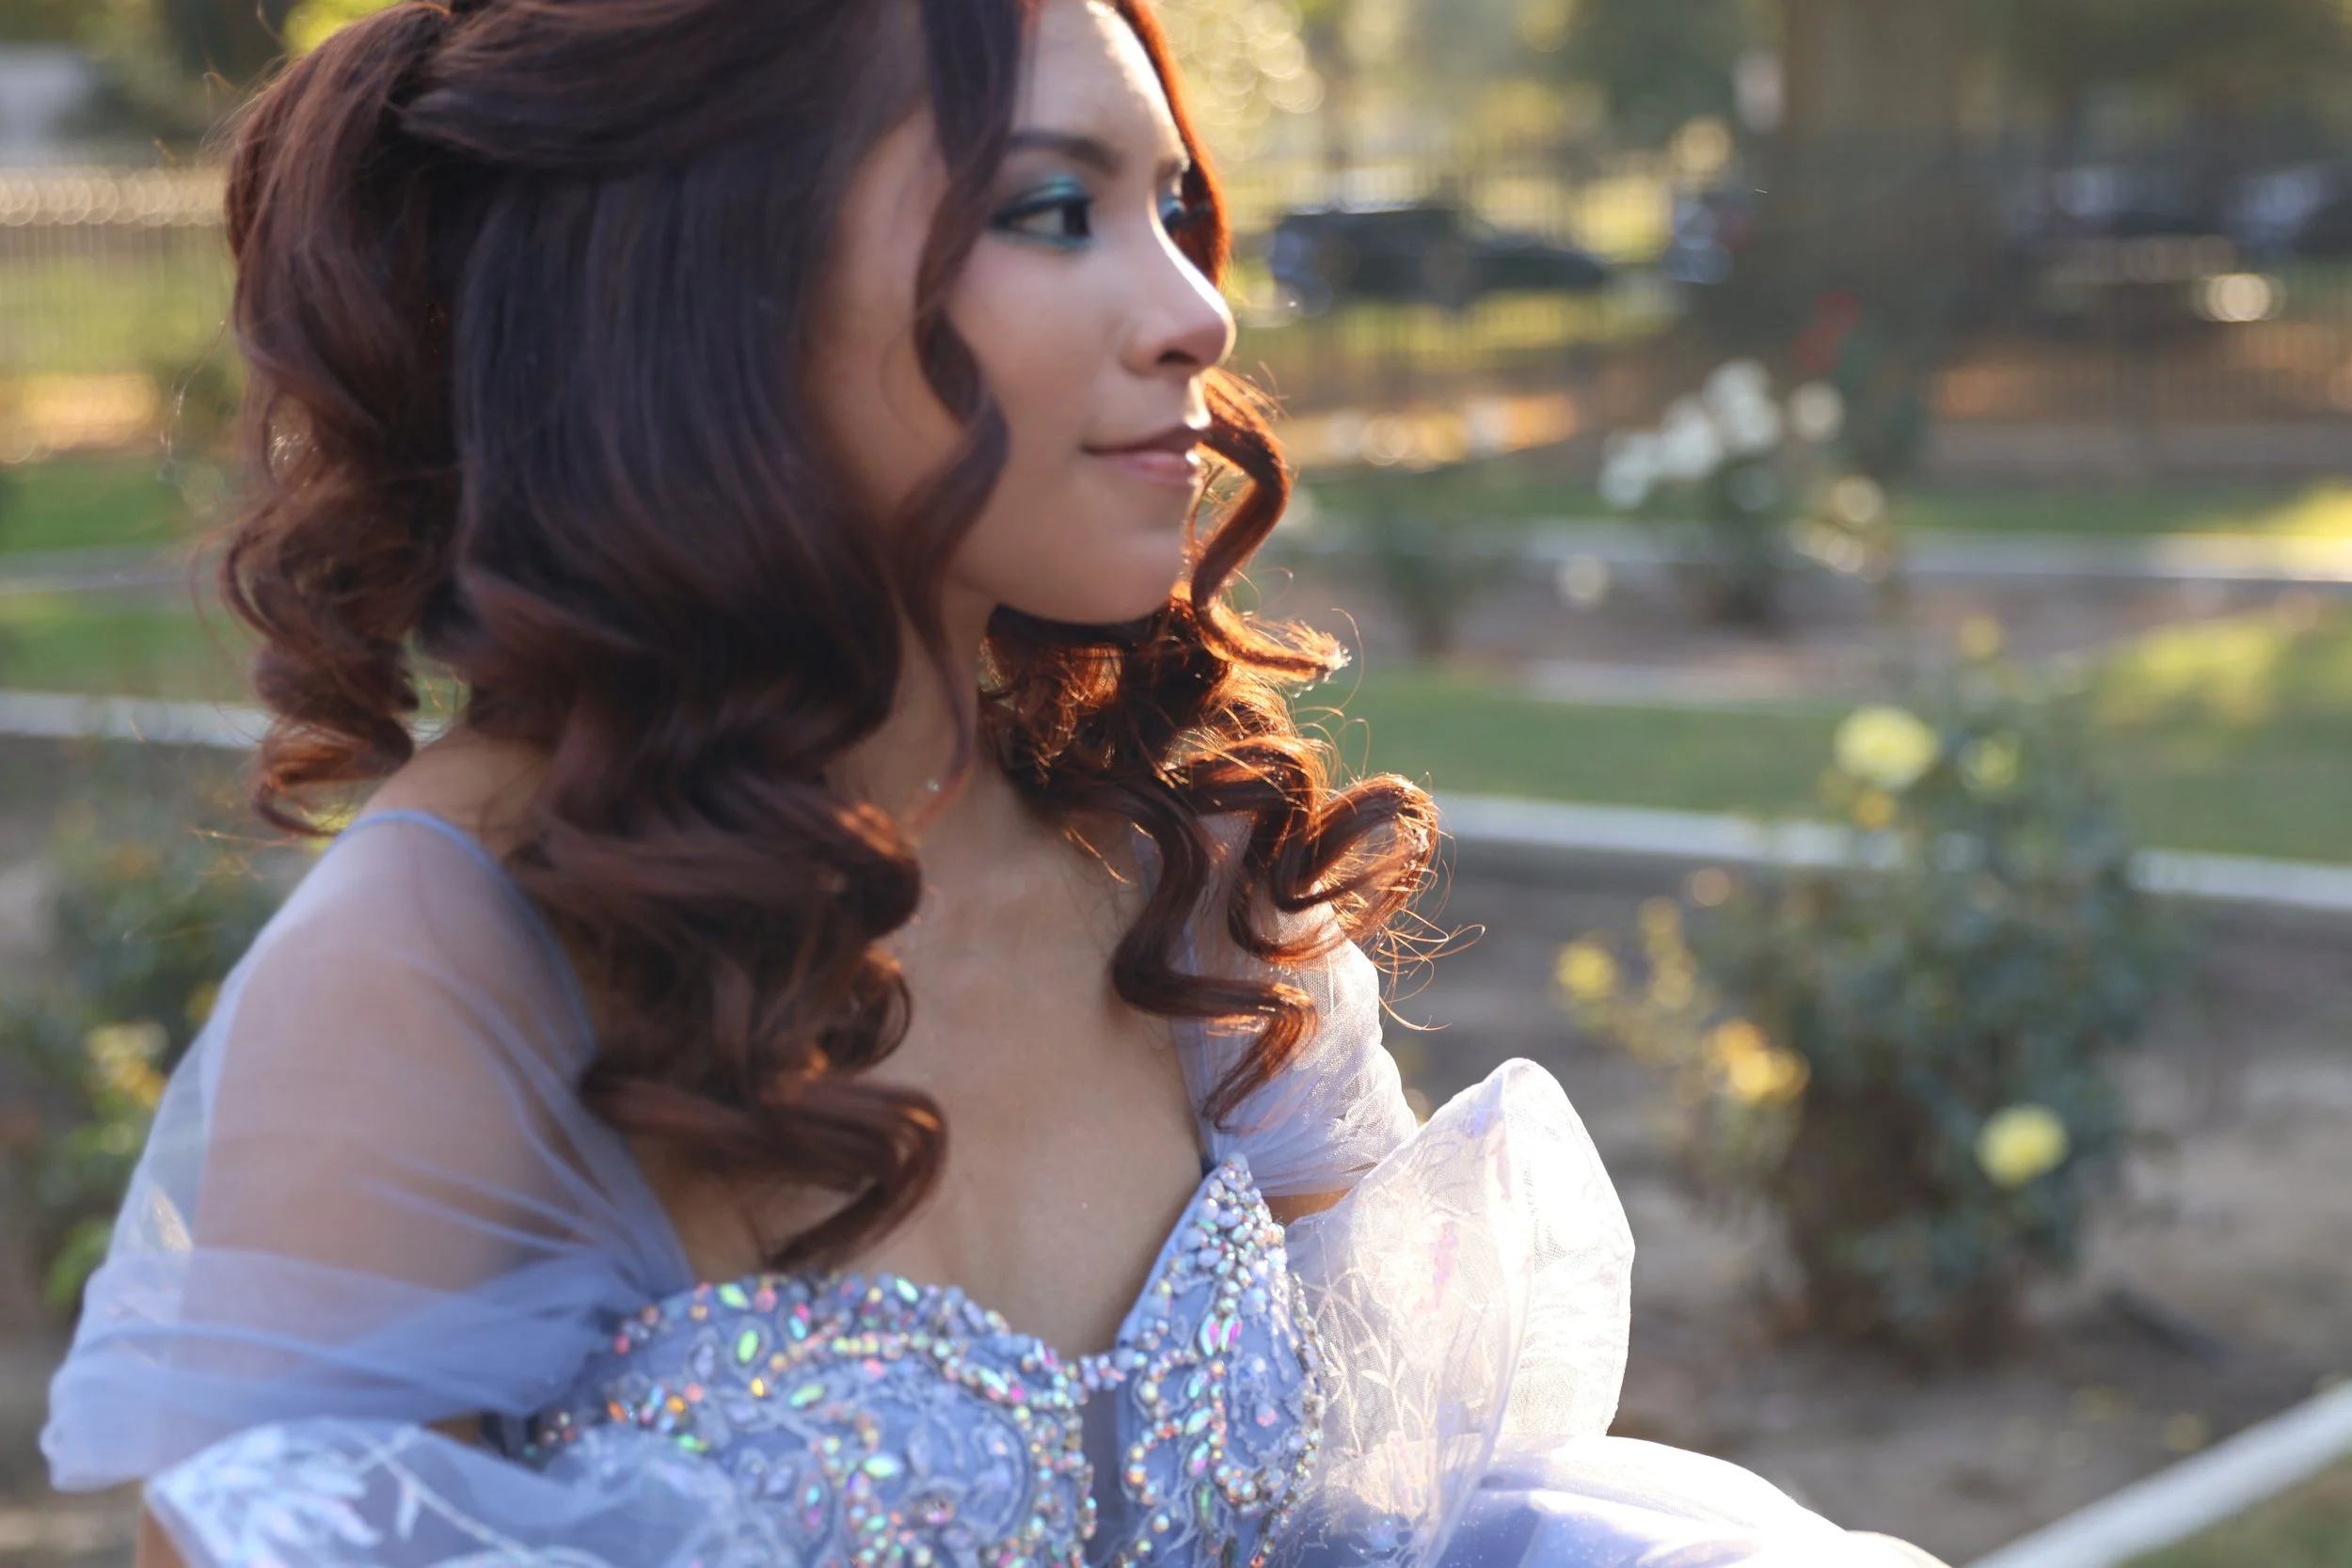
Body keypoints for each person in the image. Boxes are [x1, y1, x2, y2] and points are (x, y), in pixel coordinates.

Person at [42, 3, 1946, 1564]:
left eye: (1175, 209)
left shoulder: (1179, 872)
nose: (1195, 310)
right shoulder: (444, 966)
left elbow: (1408, 1521)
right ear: (713, 289)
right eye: (1055, 209)